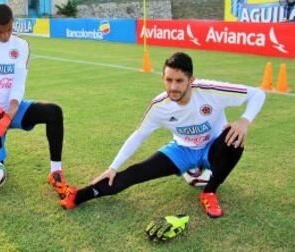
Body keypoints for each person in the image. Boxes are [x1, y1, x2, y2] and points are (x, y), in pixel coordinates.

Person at [59, 52, 266, 218]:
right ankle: (80, 196)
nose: (173, 87)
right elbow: (139, 135)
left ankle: (209, 191)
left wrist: (244, 120)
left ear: (191, 80)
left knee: (235, 138)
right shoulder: (160, 106)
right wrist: (112, 167)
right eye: (168, 80)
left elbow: (258, 94)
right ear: (163, 78)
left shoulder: (211, 91)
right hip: (182, 150)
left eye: (179, 81)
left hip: (213, 147)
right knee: (135, 173)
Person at [0, 4, 71, 198]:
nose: (5, 36)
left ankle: (55, 172)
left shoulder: (21, 45)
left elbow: (18, 84)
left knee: (53, 112)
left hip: (11, 111)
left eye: (9, 30)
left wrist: (10, 112)